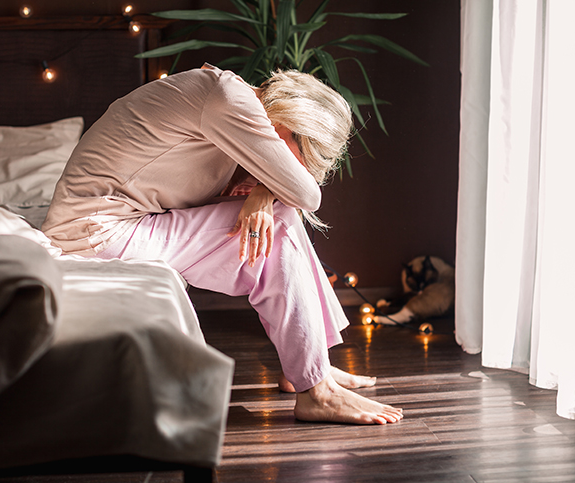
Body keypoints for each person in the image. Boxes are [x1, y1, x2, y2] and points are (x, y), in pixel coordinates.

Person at [42, 64, 403, 425]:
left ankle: (313, 366)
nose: (301, 167)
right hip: (93, 233)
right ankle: (316, 390)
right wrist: (266, 189)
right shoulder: (228, 100)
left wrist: (262, 192)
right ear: (290, 126)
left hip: (107, 225)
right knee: (279, 222)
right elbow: (308, 194)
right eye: (304, 157)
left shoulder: (229, 100)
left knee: (277, 215)